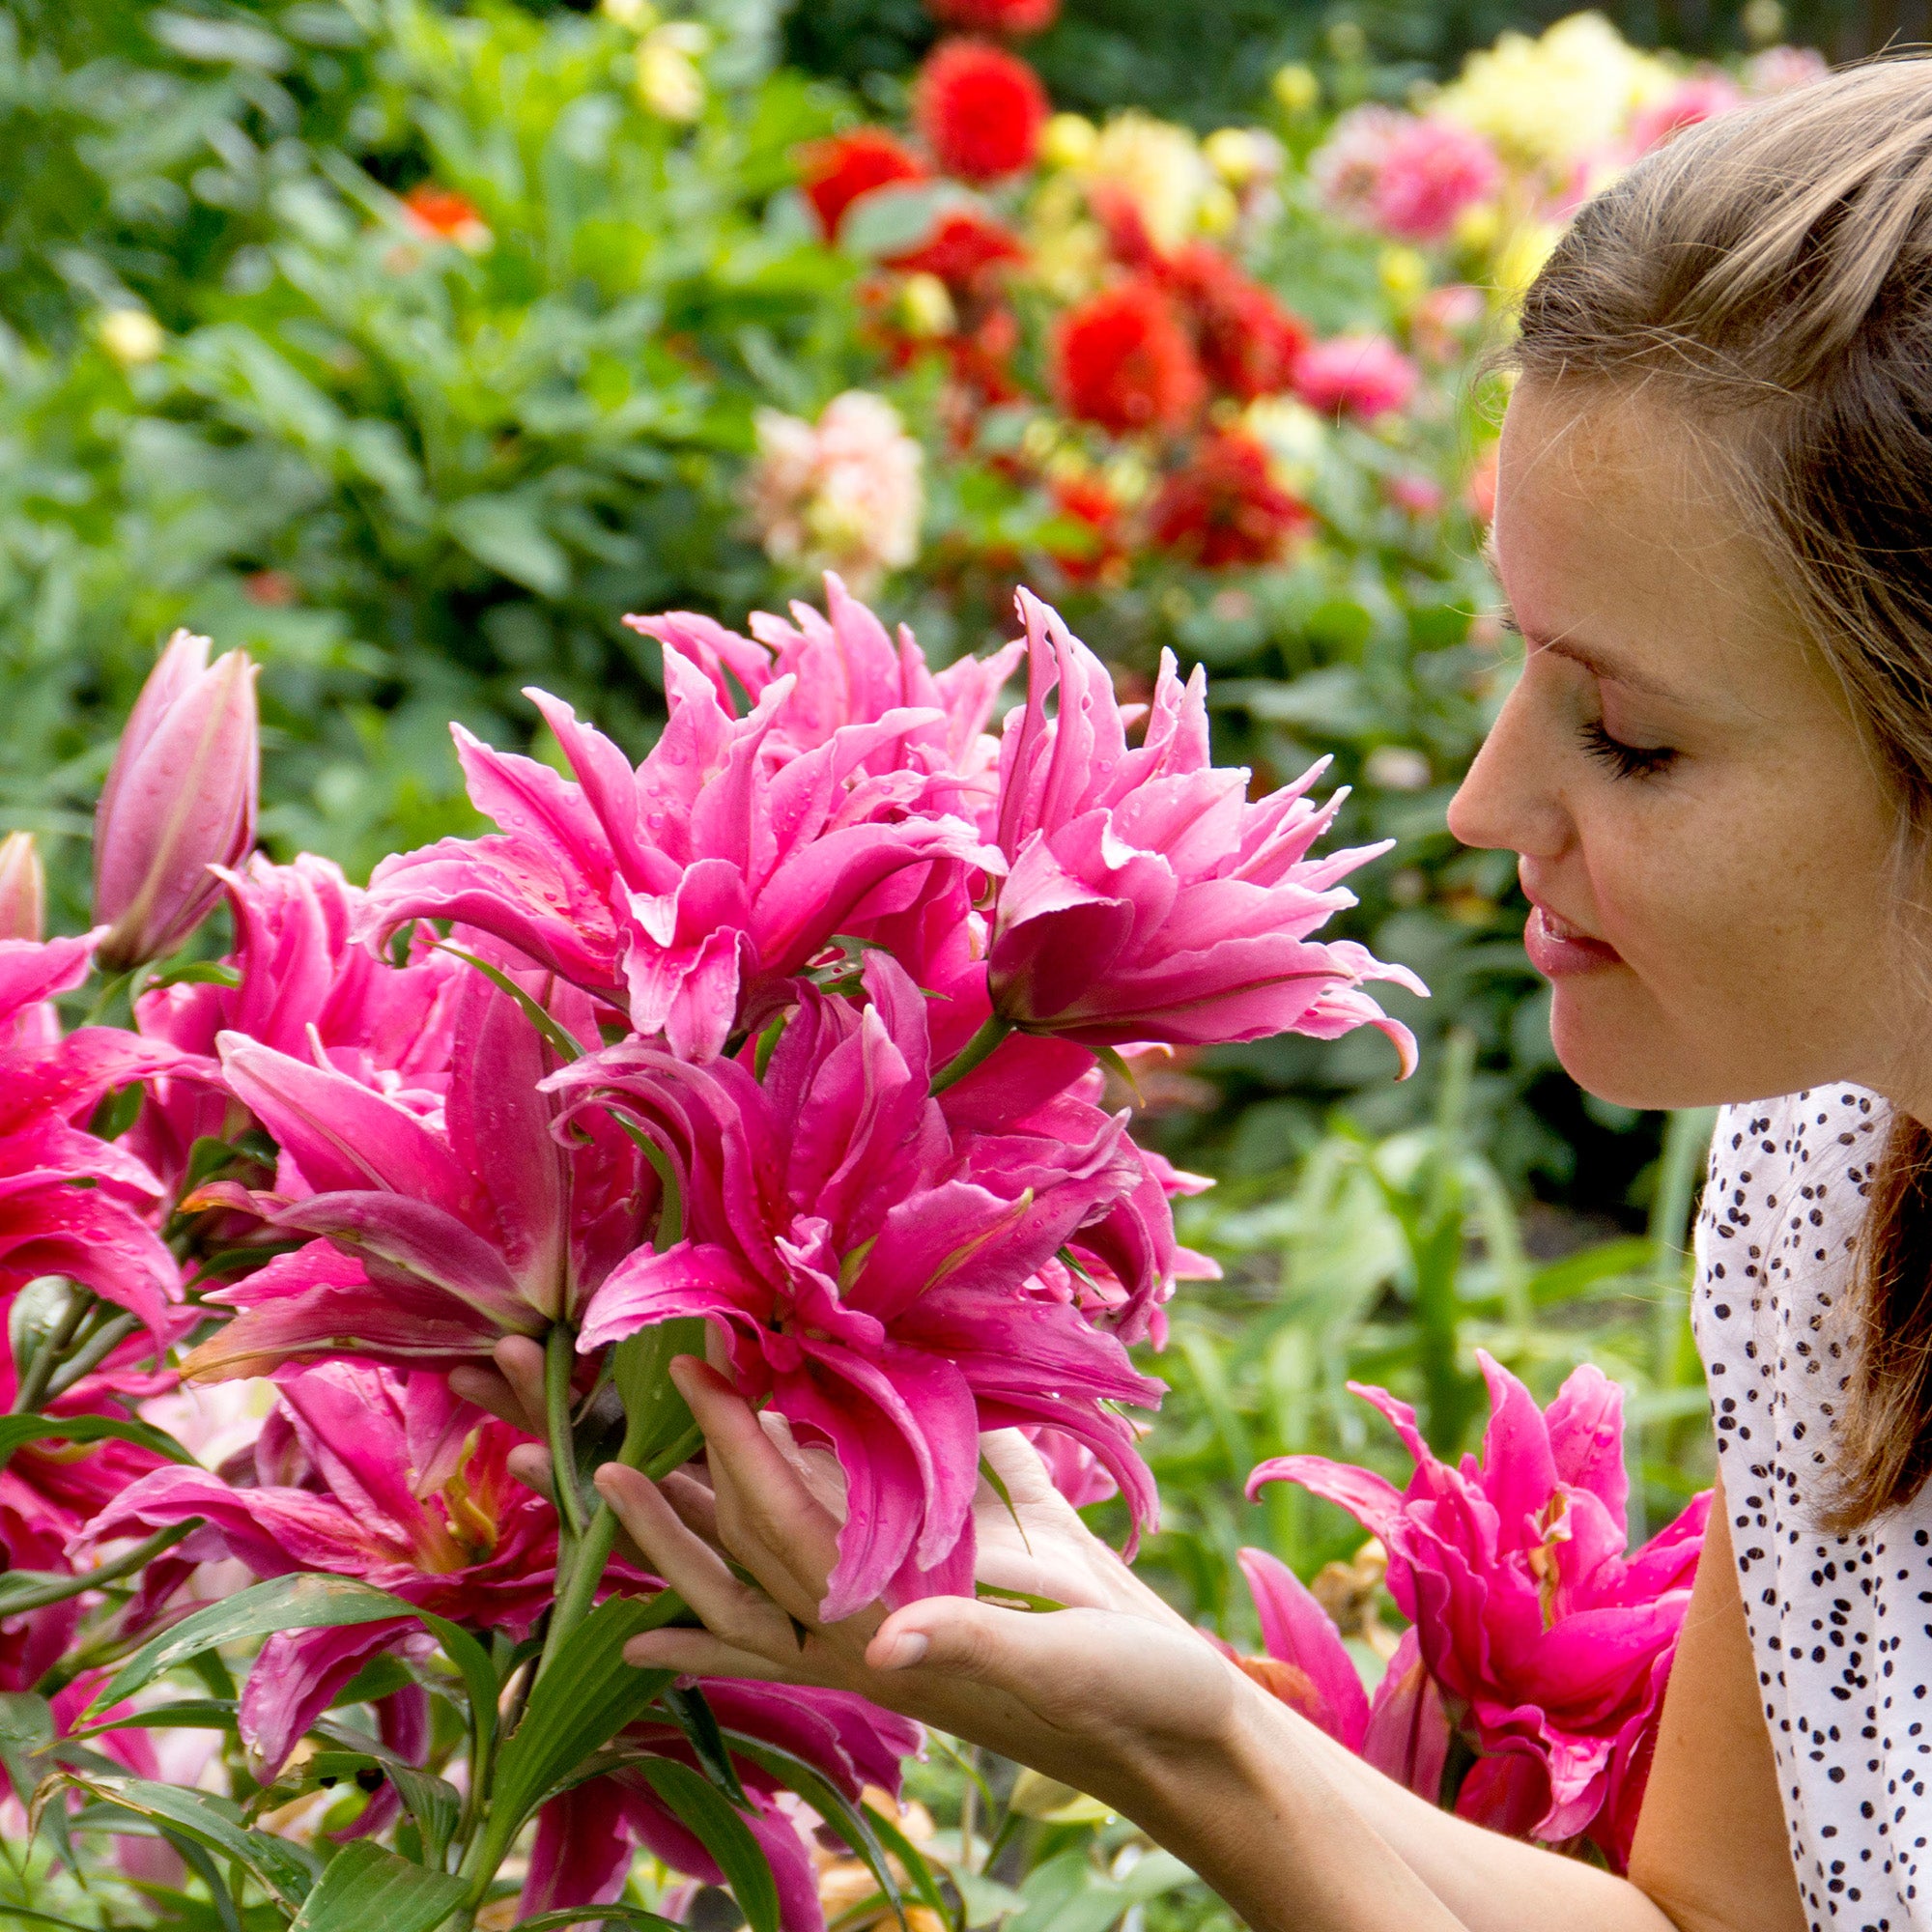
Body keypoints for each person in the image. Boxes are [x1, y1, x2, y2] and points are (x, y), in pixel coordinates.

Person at [448, 61, 1932, 1932]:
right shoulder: (1832, 1179)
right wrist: (1151, 1687)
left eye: (1626, 734)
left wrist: (1197, 1766)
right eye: (1520, 668)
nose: (1483, 802)